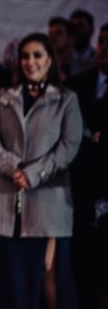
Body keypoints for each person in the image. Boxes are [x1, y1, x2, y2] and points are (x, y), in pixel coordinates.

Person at [0, 33, 82, 309]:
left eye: (37, 55)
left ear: (49, 59)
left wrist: (33, 174)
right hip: (5, 201)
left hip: (47, 199)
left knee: (49, 280)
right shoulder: (5, 97)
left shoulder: (66, 99)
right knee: (10, 279)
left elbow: (69, 145)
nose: (31, 61)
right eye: (26, 56)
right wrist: (14, 168)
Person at [66, 21, 108, 309]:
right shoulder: (78, 84)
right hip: (82, 187)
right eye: (103, 41)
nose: (104, 48)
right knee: (84, 268)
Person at [69, 9, 96, 76]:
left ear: (92, 29)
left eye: (81, 26)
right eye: (72, 27)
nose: (76, 30)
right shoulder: (60, 60)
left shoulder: (99, 59)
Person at [48, 16, 74, 81]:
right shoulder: (46, 65)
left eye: (59, 33)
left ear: (70, 37)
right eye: (51, 33)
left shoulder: (83, 65)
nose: (53, 37)